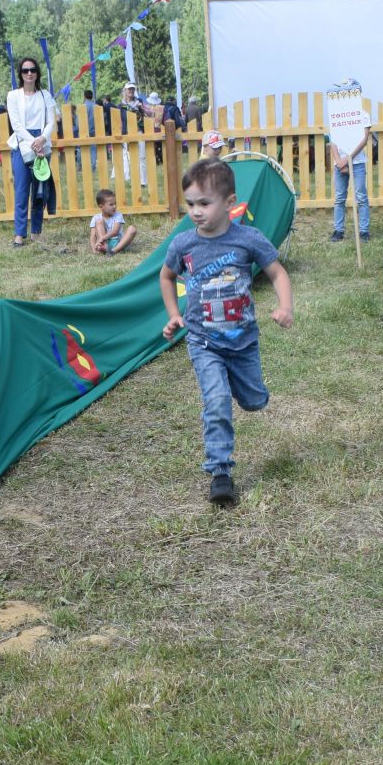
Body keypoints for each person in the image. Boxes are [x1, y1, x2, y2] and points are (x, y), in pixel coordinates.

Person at [159, 157, 295, 506]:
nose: (196, 211)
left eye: (205, 203)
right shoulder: (183, 245)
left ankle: (240, 385)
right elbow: (166, 276)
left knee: (254, 401)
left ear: (229, 202)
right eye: (190, 204)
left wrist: (284, 307)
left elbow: (277, 273)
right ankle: (220, 472)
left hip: (243, 340)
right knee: (216, 400)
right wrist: (174, 315)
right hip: (204, 341)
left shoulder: (248, 239)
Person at [5, 56, 60, 246]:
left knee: (39, 191)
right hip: (23, 144)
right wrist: (33, 143)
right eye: (25, 70)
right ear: (20, 74)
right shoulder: (13, 96)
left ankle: (36, 232)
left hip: (42, 142)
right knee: (21, 191)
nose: (29, 73)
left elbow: (51, 121)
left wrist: (42, 139)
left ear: (37, 72)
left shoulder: (45, 95)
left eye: (33, 70)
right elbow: (17, 125)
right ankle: (19, 234)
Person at [331, 96, 373, 243]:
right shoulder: (337, 114)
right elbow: (333, 140)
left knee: (361, 197)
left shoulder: (363, 115)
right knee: (339, 198)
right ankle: (338, 230)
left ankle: (364, 231)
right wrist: (339, 162)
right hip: (340, 163)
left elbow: (364, 140)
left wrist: (348, 159)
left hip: (357, 163)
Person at [88, 188, 136, 255]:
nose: (114, 206)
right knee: (99, 221)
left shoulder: (118, 215)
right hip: (104, 243)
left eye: (115, 203)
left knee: (132, 228)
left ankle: (114, 251)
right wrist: (94, 249)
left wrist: (102, 238)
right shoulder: (96, 217)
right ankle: (104, 247)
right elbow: (93, 236)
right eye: (111, 204)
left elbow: (115, 232)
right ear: (101, 206)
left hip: (119, 243)